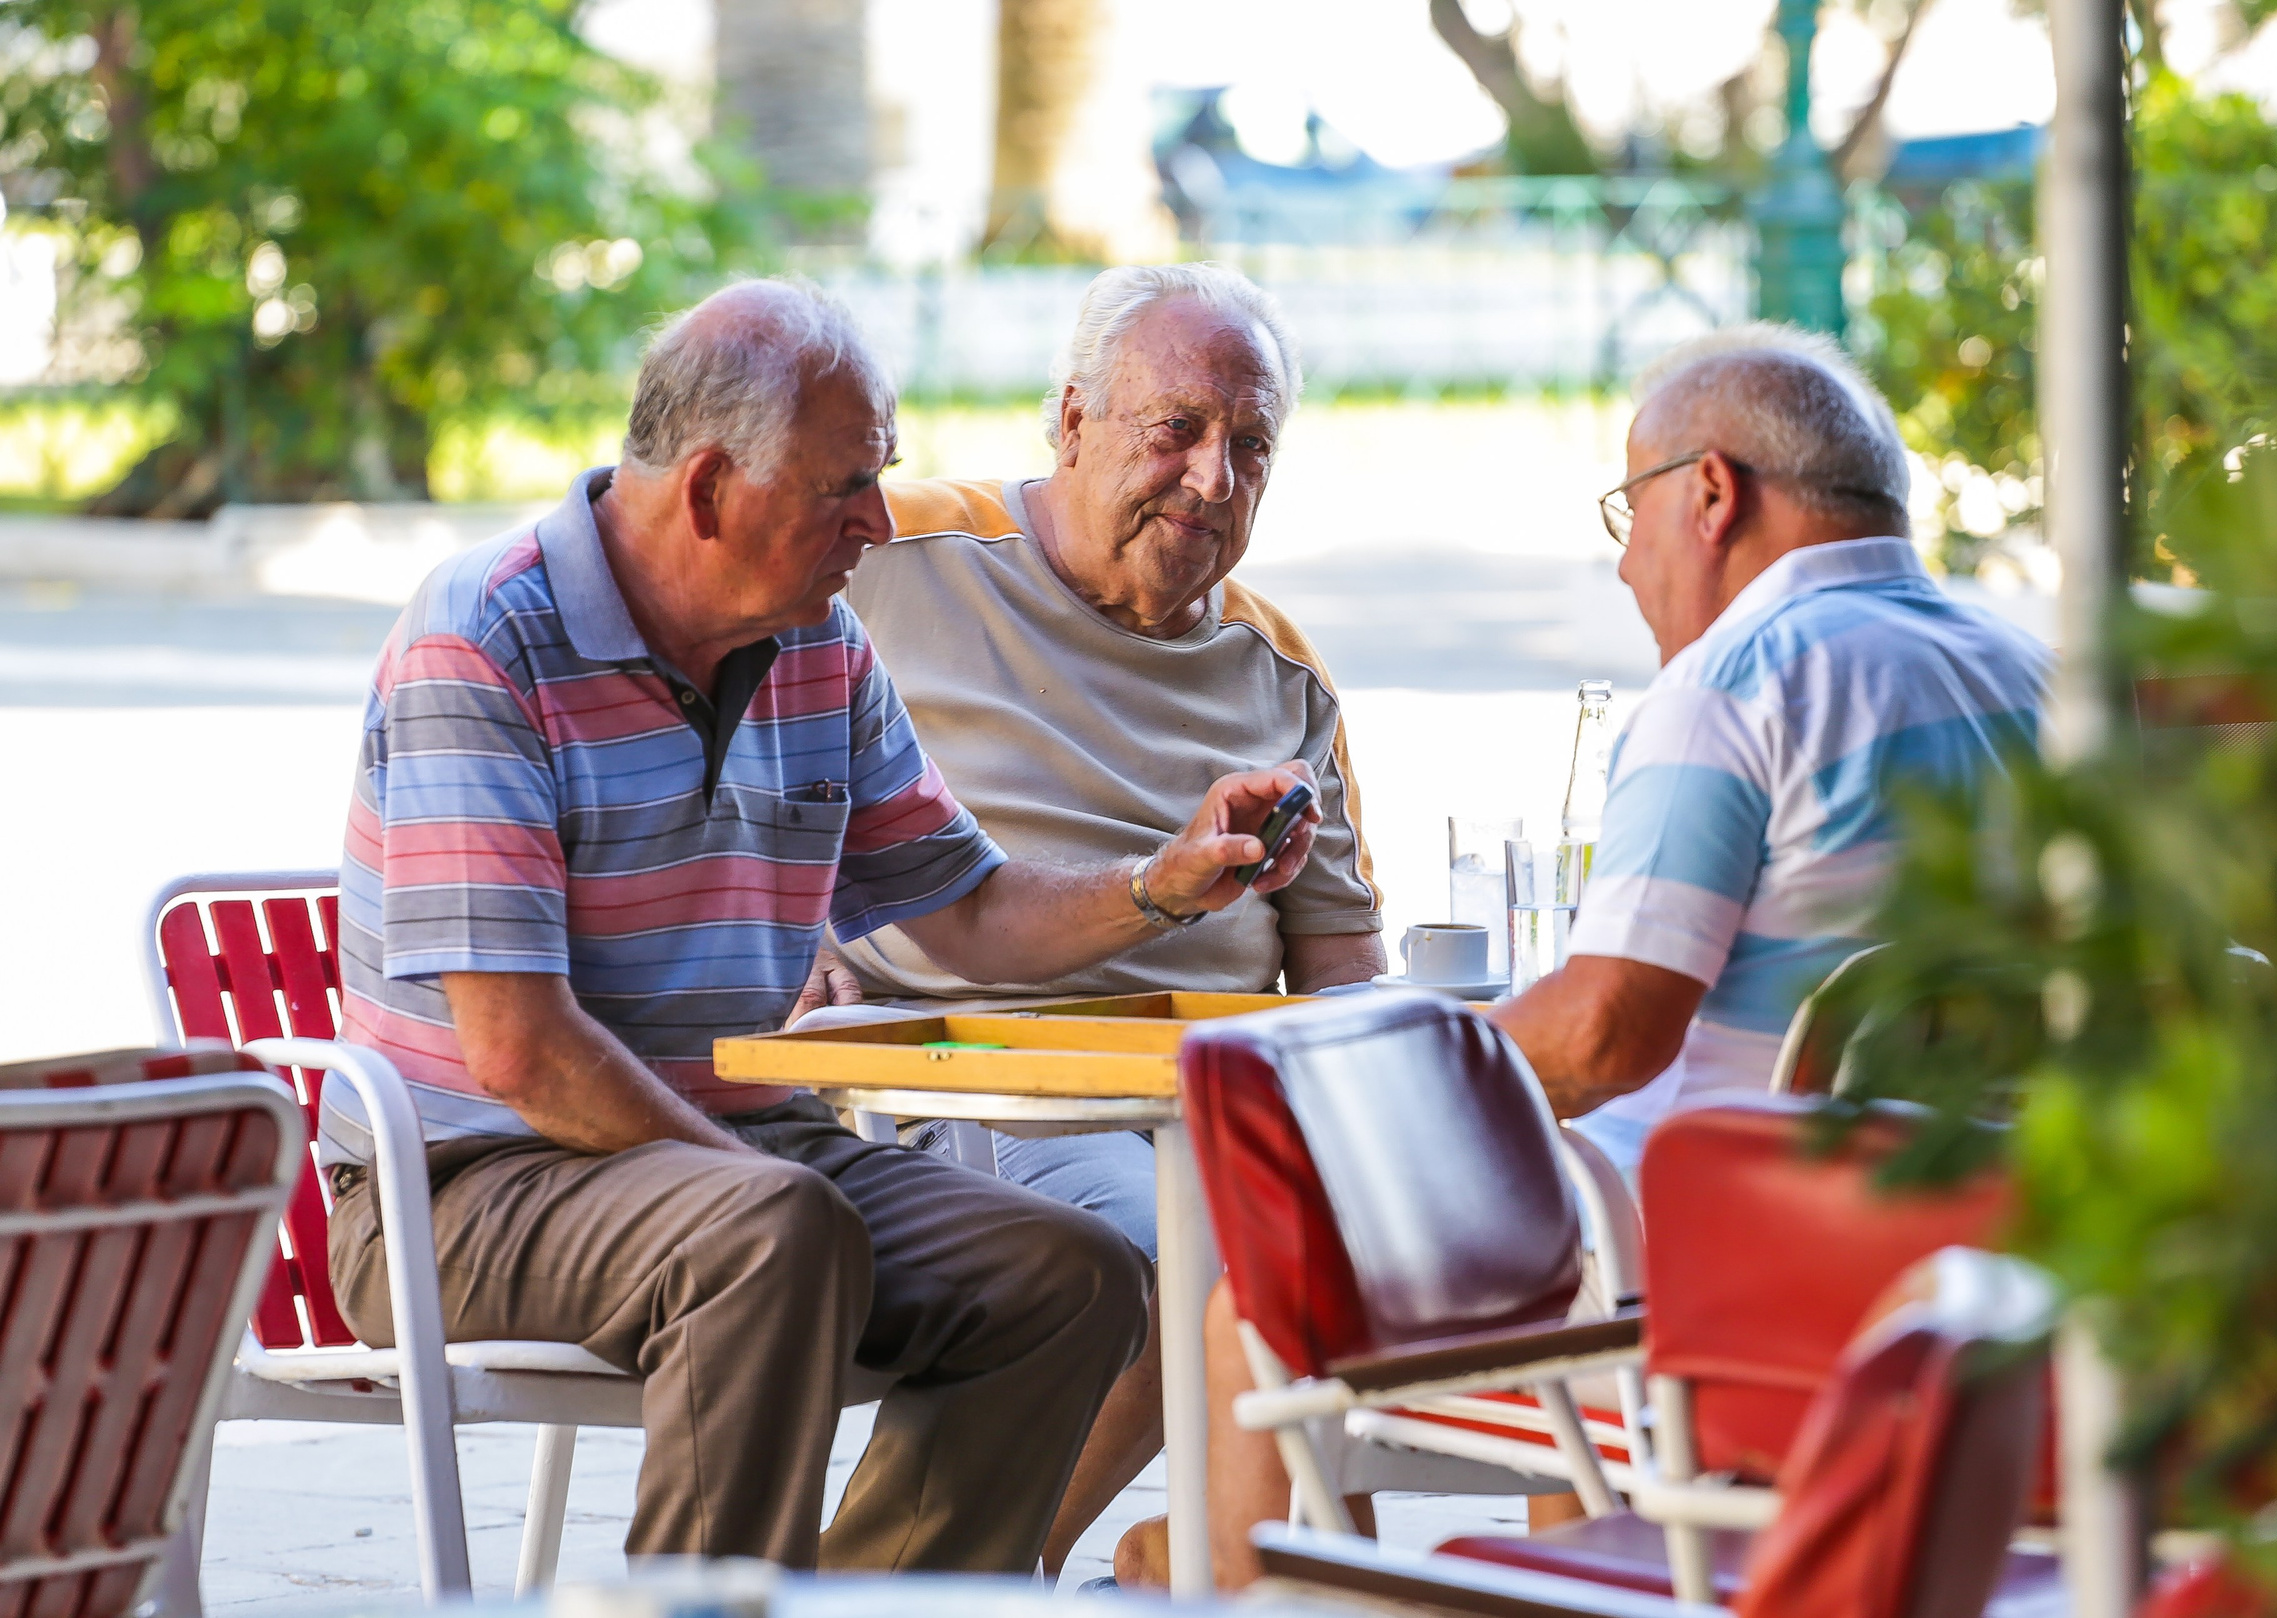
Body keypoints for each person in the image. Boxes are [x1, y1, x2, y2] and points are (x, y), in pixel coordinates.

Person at [320, 277, 1326, 1574]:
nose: (875, 520)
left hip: (737, 1153)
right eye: (845, 486)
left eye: (883, 474)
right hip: (466, 1185)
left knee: (1077, 1279)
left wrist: (1160, 882)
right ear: (706, 492)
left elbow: (965, 908)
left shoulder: (818, 646)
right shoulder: (486, 639)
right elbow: (519, 1048)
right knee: (776, 1234)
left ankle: (864, 1602)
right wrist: (764, 1176)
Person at [1116, 322, 2050, 1588]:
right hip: (1991, 1268)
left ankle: (1229, 1587)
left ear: (1710, 493)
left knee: (1248, 1322)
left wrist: (1367, 1087)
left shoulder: (1740, 684)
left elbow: (1606, 1032)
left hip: (1736, 1289)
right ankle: (1578, 1567)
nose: (1621, 564)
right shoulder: (2036, 671)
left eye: (1629, 508)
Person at [823, 262, 1385, 1576]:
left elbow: (1345, 960)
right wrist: (789, 941)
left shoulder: (1279, 664)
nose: (1212, 476)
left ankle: (1218, 1571)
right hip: (981, 1082)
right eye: (1174, 429)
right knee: (1191, 1267)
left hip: (1223, 1110)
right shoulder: (892, 561)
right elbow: (717, 739)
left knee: (1494, 1253)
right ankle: (935, 1582)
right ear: (1071, 422)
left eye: (1251, 446)